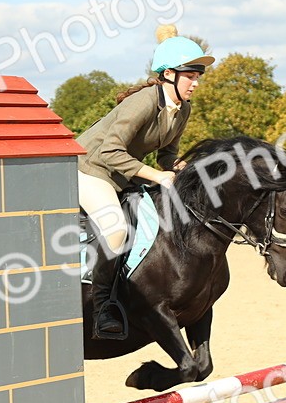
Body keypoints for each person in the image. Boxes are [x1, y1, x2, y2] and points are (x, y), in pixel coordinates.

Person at [76, 24, 214, 338]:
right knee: (116, 230)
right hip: (90, 169)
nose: (195, 83)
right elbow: (110, 151)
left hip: (121, 175)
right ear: (169, 75)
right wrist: (155, 175)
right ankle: (102, 309)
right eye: (190, 76)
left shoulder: (182, 109)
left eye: (197, 77)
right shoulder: (143, 102)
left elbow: (167, 152)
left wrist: (177, 168)